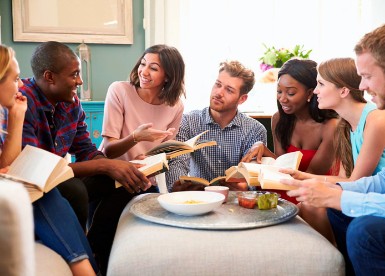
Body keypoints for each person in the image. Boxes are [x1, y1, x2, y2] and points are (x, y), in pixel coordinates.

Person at [19, 41, 151, 275]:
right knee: (75, 190)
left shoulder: (72, 104)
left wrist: (115, 167)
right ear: (50, 77)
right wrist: (103, 164)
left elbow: (85, 149)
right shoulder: (23, 102)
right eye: (74, 75)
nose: (80, 82)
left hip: (59, 177)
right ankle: (86, 260)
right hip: (37, 186)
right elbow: (36, 169)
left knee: (125, 181)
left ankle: (100, 252)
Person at [282, 24, 385, 276]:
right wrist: (323, 186)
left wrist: (337, 195)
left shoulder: (376, 119)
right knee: (335, 210)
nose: (362, 85)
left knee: (363, 230)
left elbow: (357, 178)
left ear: (342, 90)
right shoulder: (345, 125)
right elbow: (379, 181)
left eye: (368, 77)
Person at [0, 45, 99, 275]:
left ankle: (91, 264)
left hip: (25, 183)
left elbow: (9, 163)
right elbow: (19, 166)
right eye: (15, 79)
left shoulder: (9, 110)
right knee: (48, 192)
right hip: (24, 188)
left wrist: (16, 116)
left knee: (55, 191)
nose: (21, 84)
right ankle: (84, 267)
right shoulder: (28, 99)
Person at [93, 44, 185, 273]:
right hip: (111, 171)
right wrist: (135, 137)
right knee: (108, 217)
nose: (144, 71)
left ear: (168, 76)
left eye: (153, 68)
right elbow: (109, 150)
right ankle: (95, 261)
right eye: (143, 64)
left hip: (144, 178)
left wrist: (152, 159)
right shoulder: (120, 91)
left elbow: (165, 153)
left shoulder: (175, 106)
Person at [166, 60, 267, 192]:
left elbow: (254, 175)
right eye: (218, 84)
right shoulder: (188, 121)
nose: (219, 93)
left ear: (242, 99)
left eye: (229, 90)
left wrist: (246, 186)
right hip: (197, 199)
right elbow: (178, 161)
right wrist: (177, 184)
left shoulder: (255, 130)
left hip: (236, 203)